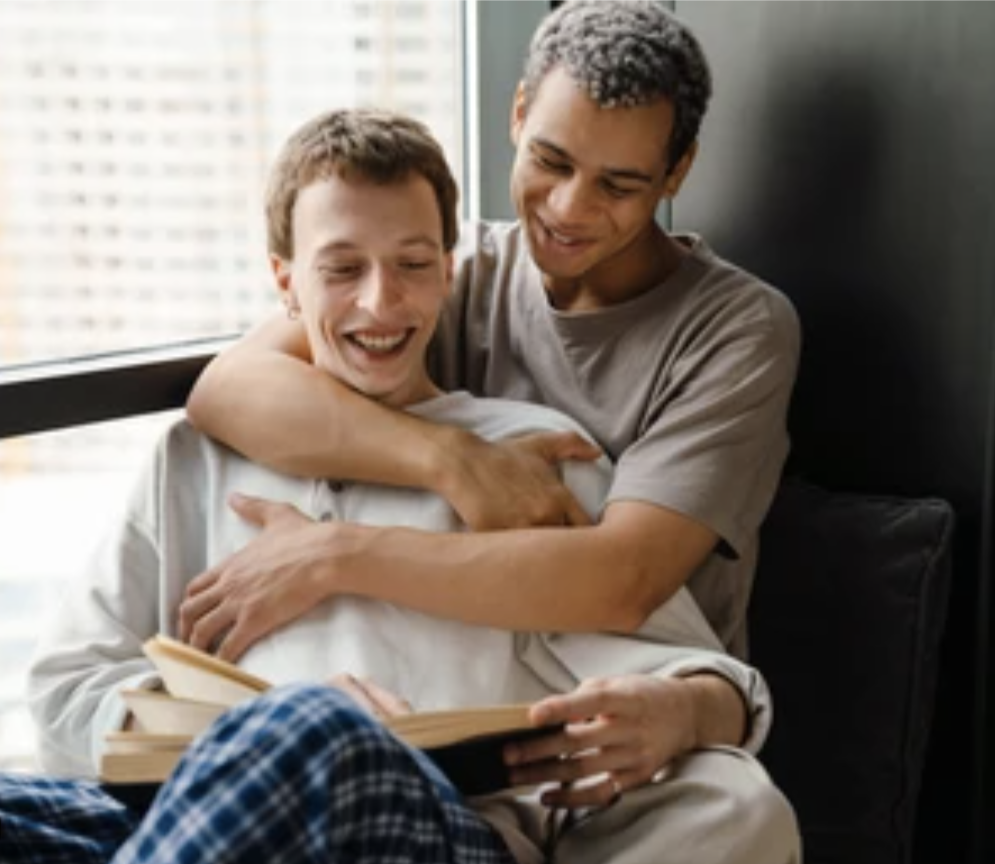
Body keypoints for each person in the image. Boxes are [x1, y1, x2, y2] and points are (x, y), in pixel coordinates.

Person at [4, 108, 800, 864]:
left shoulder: (525, 463)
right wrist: (236, 733)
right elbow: (65, 695)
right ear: (285, 281)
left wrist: (685, 707)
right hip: (181, 820)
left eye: (413, 266)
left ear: (448, 272)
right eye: (342, 269)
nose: (381, 302)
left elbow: (689, 671)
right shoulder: (195, 458)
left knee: (314, 729)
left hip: (430, 831)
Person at [184, 1, 800, 669]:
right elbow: (229, 389)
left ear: (675, 173)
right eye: (550, 160)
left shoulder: (737, 330)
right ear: (517, 113)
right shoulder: (449, 270)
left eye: (618, 185)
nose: (569, 208)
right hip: (460, 672)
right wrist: (450, 460)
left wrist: (334, 555)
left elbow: (624, 583)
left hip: (640, 697)